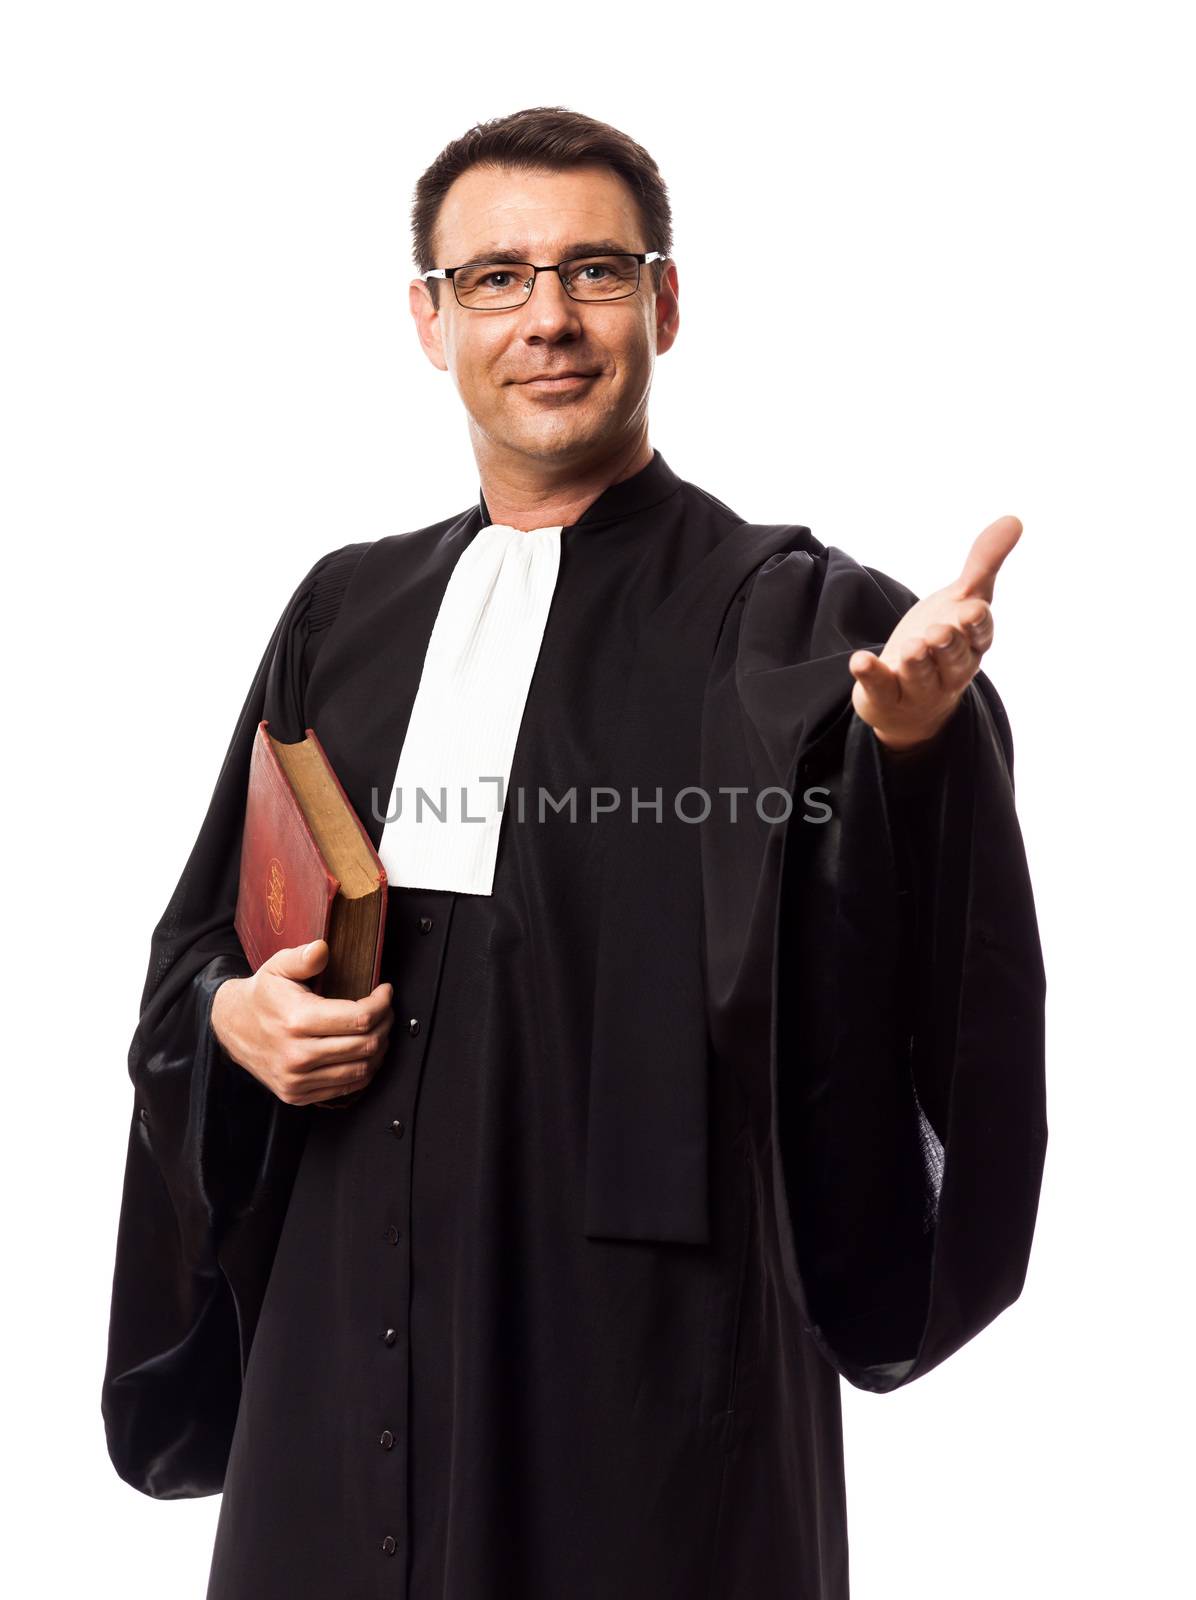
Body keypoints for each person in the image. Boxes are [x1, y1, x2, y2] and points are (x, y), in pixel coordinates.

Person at [101, 106, 1048, 1600]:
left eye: (595, 272)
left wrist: (913, 754)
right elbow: (199, 955)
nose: (547, 317)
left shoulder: (790, 617)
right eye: (495, 278)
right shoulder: (342, 616)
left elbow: (889, 977)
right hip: (340, 1348)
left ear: (664, 304)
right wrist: (235, 1016)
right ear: (429, 320)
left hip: (639, 1372)